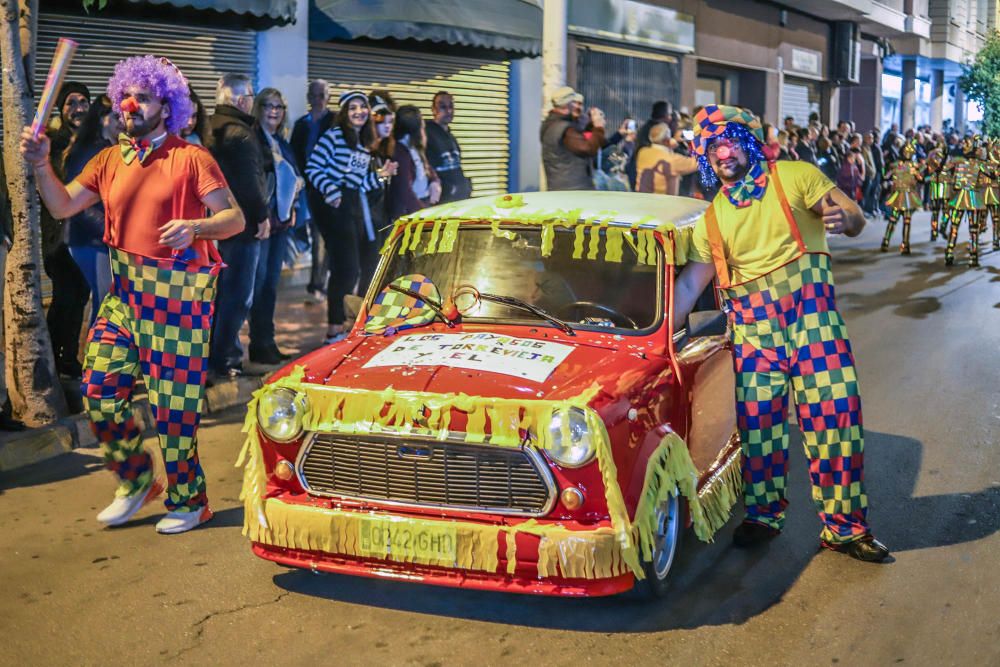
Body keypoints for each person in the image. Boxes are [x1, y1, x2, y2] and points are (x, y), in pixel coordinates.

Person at [20, 55, 245, 533]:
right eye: (126, 96)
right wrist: (41, 165)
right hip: (124, 297)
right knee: (98, 392)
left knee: (174, 412)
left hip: (178, 299)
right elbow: (62, 204)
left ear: (168, 105)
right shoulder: (106, 159)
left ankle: (191, 502)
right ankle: (137, 478)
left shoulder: (191, 158)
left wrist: (197, 226)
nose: (130, 105)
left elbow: (235, 219)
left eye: (143, 97)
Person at [672, 104, 890, 563]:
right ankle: (764, 515)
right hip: (754, 339)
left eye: (729, 140)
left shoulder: (794, 177)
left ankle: (844, 529)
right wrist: (650, 341)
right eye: (712, 147)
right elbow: (692, 284)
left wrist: (845, 219)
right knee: (759, 432)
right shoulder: (712, 218)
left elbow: (852, 216)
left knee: (836, 422)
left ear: (749, 141)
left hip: (814, 329)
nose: (723, 152)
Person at [305, 90, 398, 343]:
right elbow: (312, 168)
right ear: (344, 112)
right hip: (337, 209)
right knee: (345, 270)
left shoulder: (361, 141)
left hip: (354, 207)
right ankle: (333, 329)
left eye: (362, 107)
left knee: (355, 269)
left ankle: (345, 325)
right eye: (352, 107)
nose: (359, 111)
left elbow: (358, 183)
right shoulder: (334, 136)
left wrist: (381, 174)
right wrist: (330, 189)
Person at [205, 73, 270, 380]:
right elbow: (249, 181)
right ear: (241, 100)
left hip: (219, 223)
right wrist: (261, 216)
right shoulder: (239, 132)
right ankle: (226, 359)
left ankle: (219, 355)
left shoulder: (212, 127)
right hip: (242, 227)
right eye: (251, 97)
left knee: (223, 294)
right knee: (237, 294)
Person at [248, 87, 303, 365]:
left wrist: (292, 208)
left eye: (279, 107)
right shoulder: (254, 139)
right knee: (257, 288)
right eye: (268, 106)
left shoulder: (282, 141)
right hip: (263, 224)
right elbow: (256, 182)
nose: (274, 111)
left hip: (280, 223)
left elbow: (293, 178)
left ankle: (266, 342)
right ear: (258, 108)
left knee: (270, 287)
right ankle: (258, 345)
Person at [43, 81, 93, 378]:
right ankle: (50, 356)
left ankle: (69, 358)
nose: (78, 108)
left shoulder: (94, 142)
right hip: (58, 236)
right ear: (61, 110)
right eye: (71, 103)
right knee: (65, 296)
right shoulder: (53, 143)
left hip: (86, 236)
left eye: (83, 102)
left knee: (81, 295)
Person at [62, 94, 121, 326]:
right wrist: (111, 228)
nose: (123, 122)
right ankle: (99, 358)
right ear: (101, 118)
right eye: (116, 116)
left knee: (105, 301)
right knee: (105, 302)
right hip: (91, 240)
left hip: (100, 239)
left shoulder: (110, 148)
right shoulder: (91, 151)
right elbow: (78, 204)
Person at [291, 80, 334, 304]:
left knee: (321, 237)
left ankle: (318, 284)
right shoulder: (301, 124)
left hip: (326, 188)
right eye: (314, 95)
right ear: (308, 97)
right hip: (305, 187)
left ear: (328, 97)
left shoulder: (335, 122)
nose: (317, 99)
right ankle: (318, 282)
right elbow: (293, 154)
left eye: (321, 95)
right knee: (303, 230)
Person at [540, 86, 609, 191]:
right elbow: (587, 148)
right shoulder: (565, 128)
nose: (577, 106)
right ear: (568, 104)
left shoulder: (550, 124)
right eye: (574, 102)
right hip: (573, 189)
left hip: (559, 186)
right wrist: (598, 127)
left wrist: (590, 126)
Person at [387, 104, 442, 220]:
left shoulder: (415, 148)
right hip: (410, 214)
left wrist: (434, 181)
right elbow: (404, 190)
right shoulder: (400, 153)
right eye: (421, 123)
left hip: (421, 205)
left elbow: (427, 168)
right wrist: (422, 214)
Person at [424, 90, 472, 203]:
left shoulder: (451, 137)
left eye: (451, 106)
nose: (448, 110)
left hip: (458, 201)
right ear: (433, 109)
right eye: (443, 107)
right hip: (440, 203)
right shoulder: (427, 134)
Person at [881, 140, 923, 254]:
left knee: (895, 220)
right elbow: (920, 179)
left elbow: (886, 176)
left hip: (901, 194)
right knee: (905, 220)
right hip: (904, 195)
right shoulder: (911, 167)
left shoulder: (897, 165)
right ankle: (903, 244)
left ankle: (887, 241)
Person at [634, 122, 698, 195]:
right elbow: (697, 163)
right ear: (667, 140)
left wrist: (669, 148)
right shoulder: (672, 159)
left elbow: (658, 155)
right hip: (664, 203)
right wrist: (694, 143)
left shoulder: (642, 152)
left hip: (642, 198)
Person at [627, 100, 670, 189]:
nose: (670, 118)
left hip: (638, 171)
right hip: (643, 174)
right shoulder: (657, 130)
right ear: (665, 114)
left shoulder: (646, 127)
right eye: (669, 114)